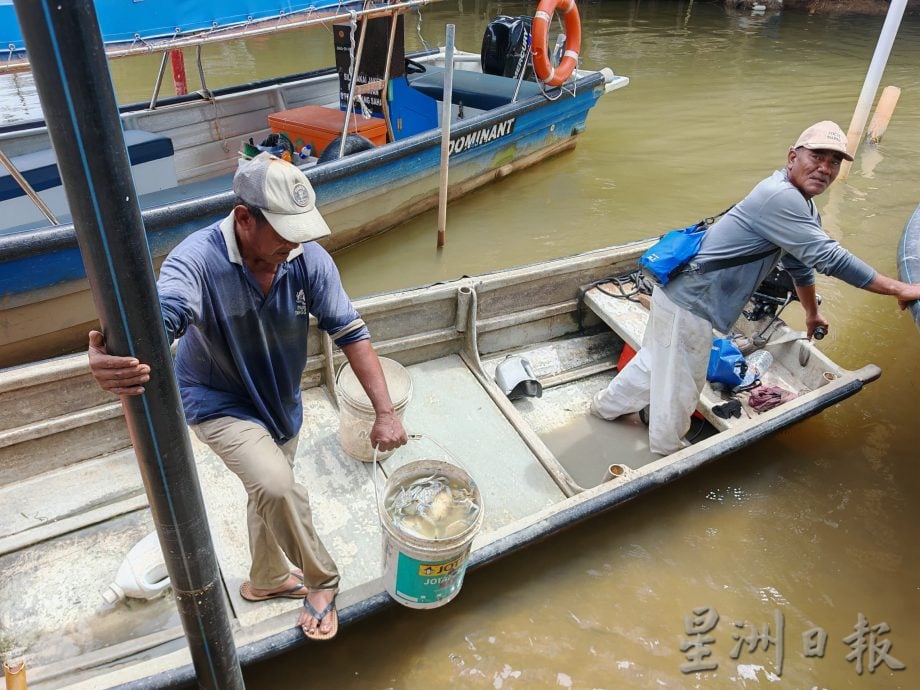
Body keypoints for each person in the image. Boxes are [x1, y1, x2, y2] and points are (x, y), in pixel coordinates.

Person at [88, 152, 407, 641]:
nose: (295, 243)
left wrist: (384, 412)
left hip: (280, 400)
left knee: (266, 492)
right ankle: (323, 580)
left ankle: (267, 580)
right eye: (283, 231)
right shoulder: (196, 259)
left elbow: (351, 332)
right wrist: (115, 351)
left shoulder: (306, 260)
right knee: (277, 486)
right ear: (244, 219)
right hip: (217, 401)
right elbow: (162, 313)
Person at [592, 120, 920, 455]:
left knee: (656, 361)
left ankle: (604, 409)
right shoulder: (780, 197)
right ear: (793, 156)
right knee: (682, 382)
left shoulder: (803, 205)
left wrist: (812, 313)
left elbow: (799, 266)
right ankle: (666, 451)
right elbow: (829, 257)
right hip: (691, 301)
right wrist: (899, 288)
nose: (825, 168)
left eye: (834, 162)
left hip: (680, 293)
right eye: (817, 156)